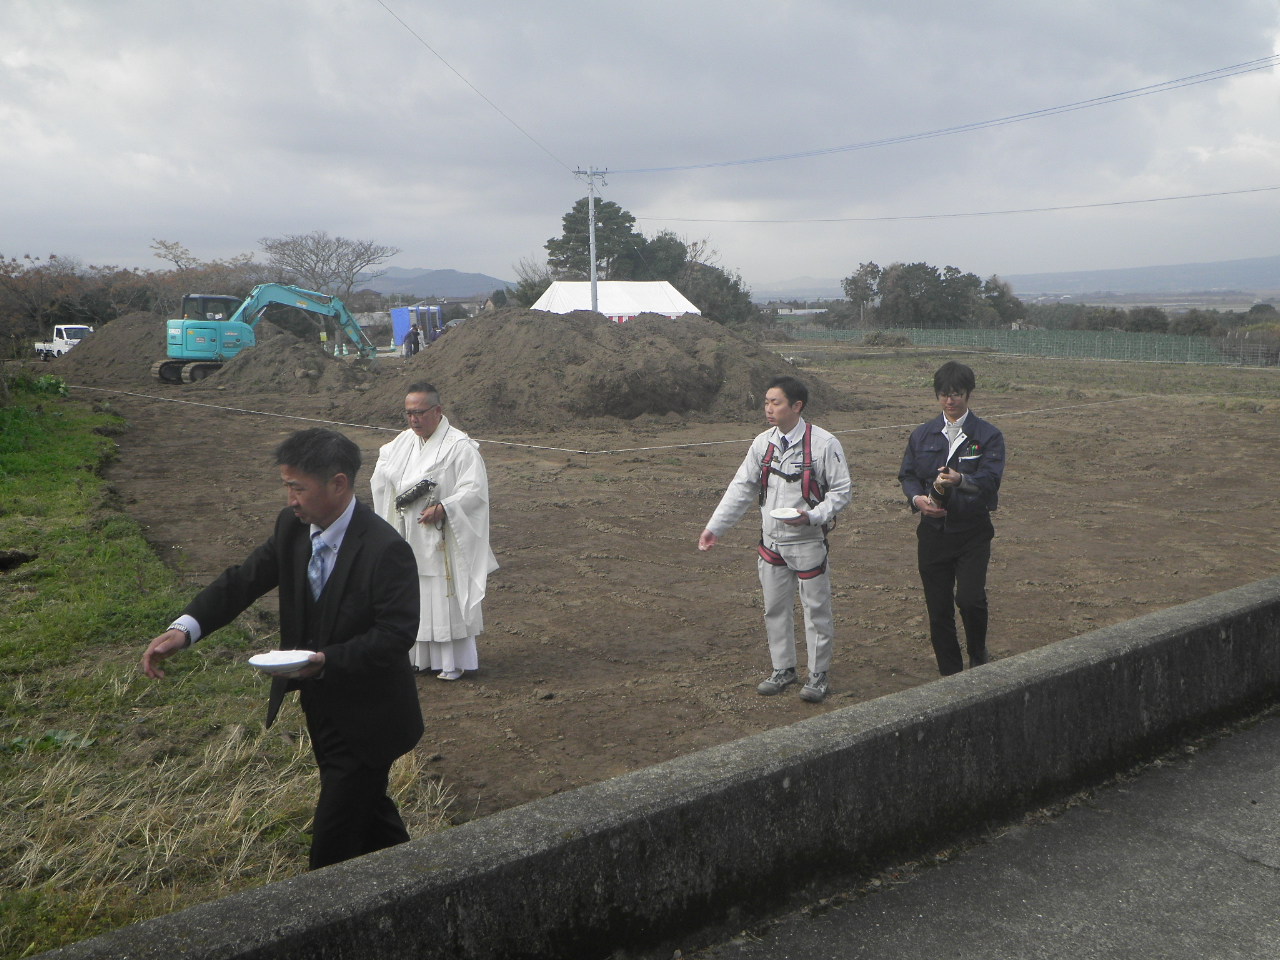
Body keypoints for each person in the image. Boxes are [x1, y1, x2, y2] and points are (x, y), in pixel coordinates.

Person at [140, 428, 423, 870]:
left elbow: (395, 634)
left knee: (334, 839)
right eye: (286, 486)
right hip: (322, 709)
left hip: (371, 719)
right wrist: (185, 629)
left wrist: (327, 662)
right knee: (370, 815)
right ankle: (422, 879)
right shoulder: (292, 528)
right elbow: (244, 580)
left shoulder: (385, 549)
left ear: (338, 484)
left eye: (298, 488)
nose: (290, 499)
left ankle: (322, 906)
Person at [698, 375, 852, 703]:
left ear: (797, 406)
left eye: (775, 402)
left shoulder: (824, 444)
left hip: (808, 542)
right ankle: (783, 668)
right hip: (771, 544)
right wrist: (715, 527)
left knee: (816, 610)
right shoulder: (762, 443)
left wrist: (812, 516)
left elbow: (841, 492)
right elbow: (741, 488)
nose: (768, 409)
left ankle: (818, 674)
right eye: (767, 402)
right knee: (774, 608)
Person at [371, 382, 498, 680]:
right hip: (409, 531)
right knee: (414, 592)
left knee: (444, 595)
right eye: (408, 413)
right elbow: (384, 471)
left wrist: (445, 507)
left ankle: (452, 662)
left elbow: (474, 490)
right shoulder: (403, 442)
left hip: (443, 535)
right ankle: (419, 658)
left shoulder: (459, 446)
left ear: (438, 411)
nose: (413, 419)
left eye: (420, 412)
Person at [898, 361, 1006, 677]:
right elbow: (907, 475)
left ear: (968, 394)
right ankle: (950, 675)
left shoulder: (987, 435)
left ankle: (977, 655)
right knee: (938, 608)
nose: (950, 400)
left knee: (970, 599)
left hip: (972, 531)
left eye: (956, 393)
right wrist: (917, 500)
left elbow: (990, 480)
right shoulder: (922, 435)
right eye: (944, 394)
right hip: (933, 533)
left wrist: (961, 479)